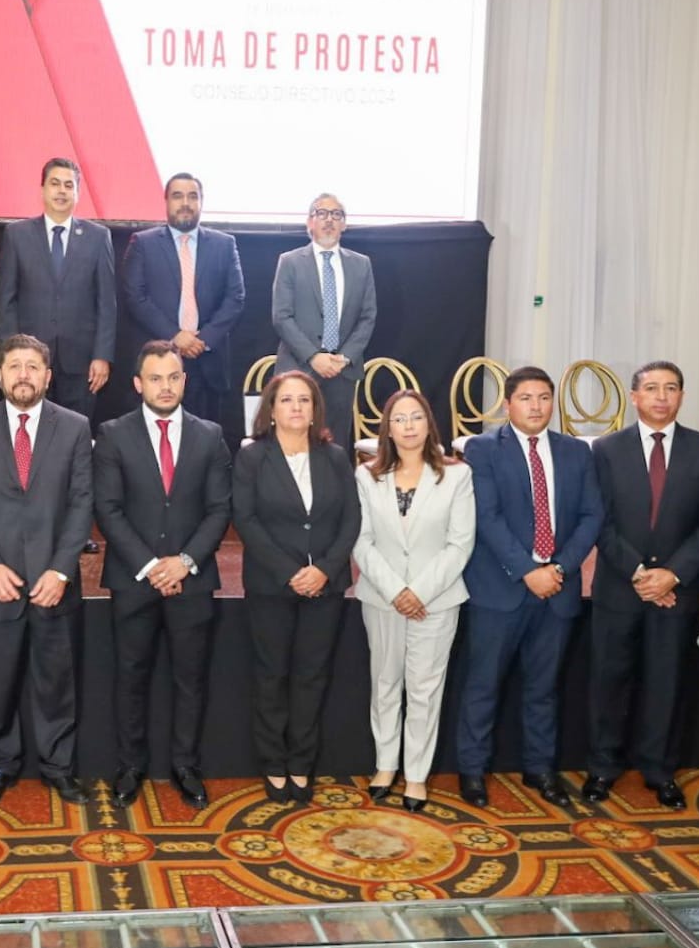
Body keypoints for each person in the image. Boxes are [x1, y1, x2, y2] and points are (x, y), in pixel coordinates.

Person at [0, 334, 94, 806]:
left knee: (56, 681)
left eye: (33, 367)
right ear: (0, 373)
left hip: (54, 583)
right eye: (14, 366)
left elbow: (80, 504)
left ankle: (59, 767)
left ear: (48, 376)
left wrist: (60, 571)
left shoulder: (74, 428)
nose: (24, 375)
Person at [93, 341, 232, 810]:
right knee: (131, 676)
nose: (165, 386)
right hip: (134, 579)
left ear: (184, 381)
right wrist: (153, 567)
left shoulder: (211, 435)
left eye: (173, 377)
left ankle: (185, 765)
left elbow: (219, 509)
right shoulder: (112, 435)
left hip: (192, 579)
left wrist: (184, 561)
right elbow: (108, 509)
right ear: (138, 384)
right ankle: (130, 765)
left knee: (190, 679)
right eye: (155, 378)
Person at [456, 366, 603, 810]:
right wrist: (527, 569)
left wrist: (558, 568)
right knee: (484, 685)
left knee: (544, 687)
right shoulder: (482, 449)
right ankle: (473, 770)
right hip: (499, 589)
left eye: (544, 397)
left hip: (557, 588)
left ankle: (540, 768)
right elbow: (487, 516)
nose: (536, 406)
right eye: (526, 398)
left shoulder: (576, 451)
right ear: (508, 403)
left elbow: (592, 515)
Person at [583, 361, 699, 810]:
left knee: (667, 682)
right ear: (634, 396)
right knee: (610, 680)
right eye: (652, 388)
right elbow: (599, 523)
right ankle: (603, 766)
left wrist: (672, 574)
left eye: (671, 388)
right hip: (620, 588)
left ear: (682, 396)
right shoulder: (605, 449)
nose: (661, 396)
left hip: (676, 591)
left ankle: (660, 770)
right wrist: (642, 575)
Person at [232, 371, 361, 805]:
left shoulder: (335, 457)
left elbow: (351, 520)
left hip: (325, 586)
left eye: (304, 401)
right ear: (270, 408)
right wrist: (291, 571)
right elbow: (246, 521)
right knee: (272, 676)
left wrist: (324, 569)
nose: (296, 408)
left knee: (311, 677)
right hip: (272, 585)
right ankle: (273, 762)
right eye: (286, 400)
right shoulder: (252, 457)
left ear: (315, 409)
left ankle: (301, 764)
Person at [352, 389, 473, 813]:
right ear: (387, 427)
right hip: (381, 598)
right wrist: (395, 591)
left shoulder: (457, 476)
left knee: (424, 688)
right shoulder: (367, 476)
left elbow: (460, 545)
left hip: (436, 600)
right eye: (399, 419)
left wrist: (418, 591)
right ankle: (386, 765)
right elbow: (361, 542)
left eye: (415, 417)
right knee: (385, 682)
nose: (407, 426)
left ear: (429, 424)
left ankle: (416, 774)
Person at [0, 157, 116, 424]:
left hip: (82, 362)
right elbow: (6, 301)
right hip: (31, 362)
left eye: (68, 185)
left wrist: (102, 355)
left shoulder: (98, 237)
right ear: (42, 190)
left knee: (77, 433)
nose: (61, 191)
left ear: (77, 193)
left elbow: (107, 303)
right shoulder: (17, 235)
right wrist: (11, 357)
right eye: (55, 184)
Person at [121, 173, 246, 426]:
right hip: (159, 362)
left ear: (201, 202)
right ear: (166, 201)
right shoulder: (143, 244)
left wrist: (203, 339)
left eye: (193, 196)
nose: (185, 203)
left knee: (207, 440)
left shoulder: (224, 244)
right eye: (178, 196)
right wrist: (175, 335)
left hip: (209, 361)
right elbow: (135, 296)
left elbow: (235, 297)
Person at [272, 194, 377, 449]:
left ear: (344, 224)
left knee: (335, 448)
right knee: (292, 445)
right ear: (309, 222)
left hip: (342, 372)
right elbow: (281, 316)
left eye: (336, 214)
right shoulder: (290, 262)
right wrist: (314, 356)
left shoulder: (361, 265)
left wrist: (344, 357)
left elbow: (367, 316)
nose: (329, 220)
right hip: (298, 368)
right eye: (321, 213)